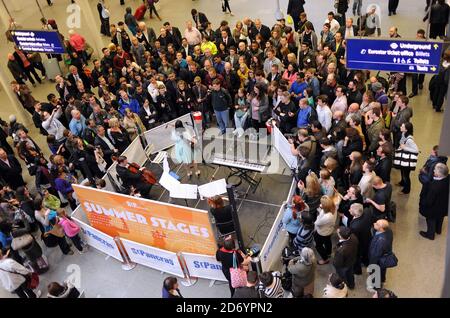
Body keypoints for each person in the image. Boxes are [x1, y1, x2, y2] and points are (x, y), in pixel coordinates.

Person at [419, 163, 449, 240]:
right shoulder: (447, 179)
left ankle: (430, 234)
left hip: (433, 208)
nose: (433, 170)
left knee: (430, 220)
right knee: (440, 217)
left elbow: (428, 201)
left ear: (438, 174)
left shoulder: (434, 186)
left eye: (435, 169)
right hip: (444, 205)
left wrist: (423, 203)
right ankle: (438, 230)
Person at [349, 203, 372, 274]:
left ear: (354, 214)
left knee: (356, 256)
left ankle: (357, 270)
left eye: (350, 210)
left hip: (360, 242)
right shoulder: (367, 211)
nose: (349, 210)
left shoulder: (354, 226)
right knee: (366, 252)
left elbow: (354, 238)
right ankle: (366, 262)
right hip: (368, 236)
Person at [369, 219, 394, 284]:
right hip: (384, 257)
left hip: (378, 260)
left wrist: (372, 264)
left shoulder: (381, 241)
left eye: (377, 224)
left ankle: (376, 286)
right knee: (383, 270)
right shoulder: (389, 231)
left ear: (381, 229)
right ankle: (383, 279)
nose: (374, 223)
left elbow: (376, 255)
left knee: (375, 272)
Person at [396, 122, 419, 195]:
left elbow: (416, 150)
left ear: (406, 129)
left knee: (406, 175)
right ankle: (402, 182)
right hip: (404, 158)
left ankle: (406, 190)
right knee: (402, 172)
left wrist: (405, 147)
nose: (400, 127)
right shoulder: (403, 134)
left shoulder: (409, 139)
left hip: (407, 159)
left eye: (402, 127)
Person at [314, 195, 337, 265]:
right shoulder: (334, 207)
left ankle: (325, 259)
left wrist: (319, 214)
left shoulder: (327, 216)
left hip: (322, 232)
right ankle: (328, 253)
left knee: (318, 246)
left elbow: (317, 223)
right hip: (329, 230)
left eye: (322, 203)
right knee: (327, 241)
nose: (320, 204)